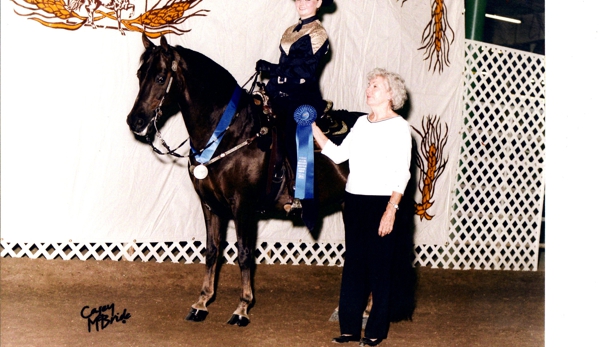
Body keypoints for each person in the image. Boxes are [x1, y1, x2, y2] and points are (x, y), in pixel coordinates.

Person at [311, 68, 411, 346]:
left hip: (382, 204)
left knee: (379, 268)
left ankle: (376, 331)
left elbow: (402, 173)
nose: (369, 90)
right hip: (354, 201)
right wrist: (313, 129)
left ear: (391, 94)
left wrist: (391, 209)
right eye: (369, 85)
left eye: (376, 86)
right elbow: (339, 153)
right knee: (354, 266)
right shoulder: (361, 124)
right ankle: (349, 330)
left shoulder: (399, 127)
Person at [255, 0, 334, 230]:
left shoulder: (318, 33)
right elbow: (285, 66)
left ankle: (305, 201)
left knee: (292, 136)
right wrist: (267, 87)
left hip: (303, 97)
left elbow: (303, 71)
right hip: (281, 94)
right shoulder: (290, 31)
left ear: (319, 3)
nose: (302, 2)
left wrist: (272, 71)